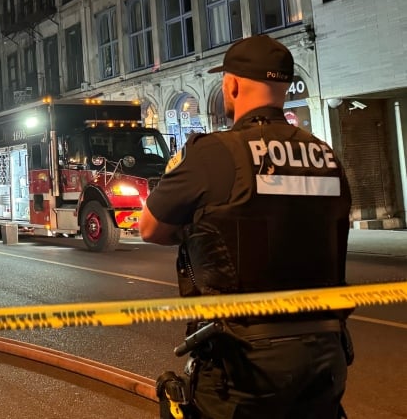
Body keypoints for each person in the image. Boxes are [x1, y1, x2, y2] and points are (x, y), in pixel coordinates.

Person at [138, 35, 352, 419]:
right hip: (325, 349)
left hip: (245, 361)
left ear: (232, 85)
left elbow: (150, 227)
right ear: (285, 87)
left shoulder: (214, 153)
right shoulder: (326, 156)